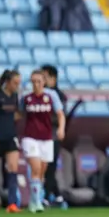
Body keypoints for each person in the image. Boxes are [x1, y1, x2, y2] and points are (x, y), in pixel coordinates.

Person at [20, 70, 65, 213]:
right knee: (36, 168)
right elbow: (19, 113)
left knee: (42, 172)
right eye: (33, 81)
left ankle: (34, 200)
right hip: (30, 137)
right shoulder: (26, 97)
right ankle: (37, 203)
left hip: (46, 138)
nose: (36, 84)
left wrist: (61, 129)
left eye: (38, 81)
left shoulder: (51, 96)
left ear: (44, 82)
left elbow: (60, 114)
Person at [0, 70, 21, 213]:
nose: (17, 86)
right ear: (8, 82)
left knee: (13, 168)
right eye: (15, 83)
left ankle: (12, 203)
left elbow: (15, 115)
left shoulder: (15, 97)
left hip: (10, 137)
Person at [41, 64, 67, 208]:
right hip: (40, 136)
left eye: (45, 77)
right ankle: (57, 196)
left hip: (52, 136)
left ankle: (46, 196)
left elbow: (60, 116)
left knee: (50, 166)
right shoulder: (39, 95)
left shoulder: (59, 96)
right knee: (44, 166)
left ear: (53, 78)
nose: (42, 81)